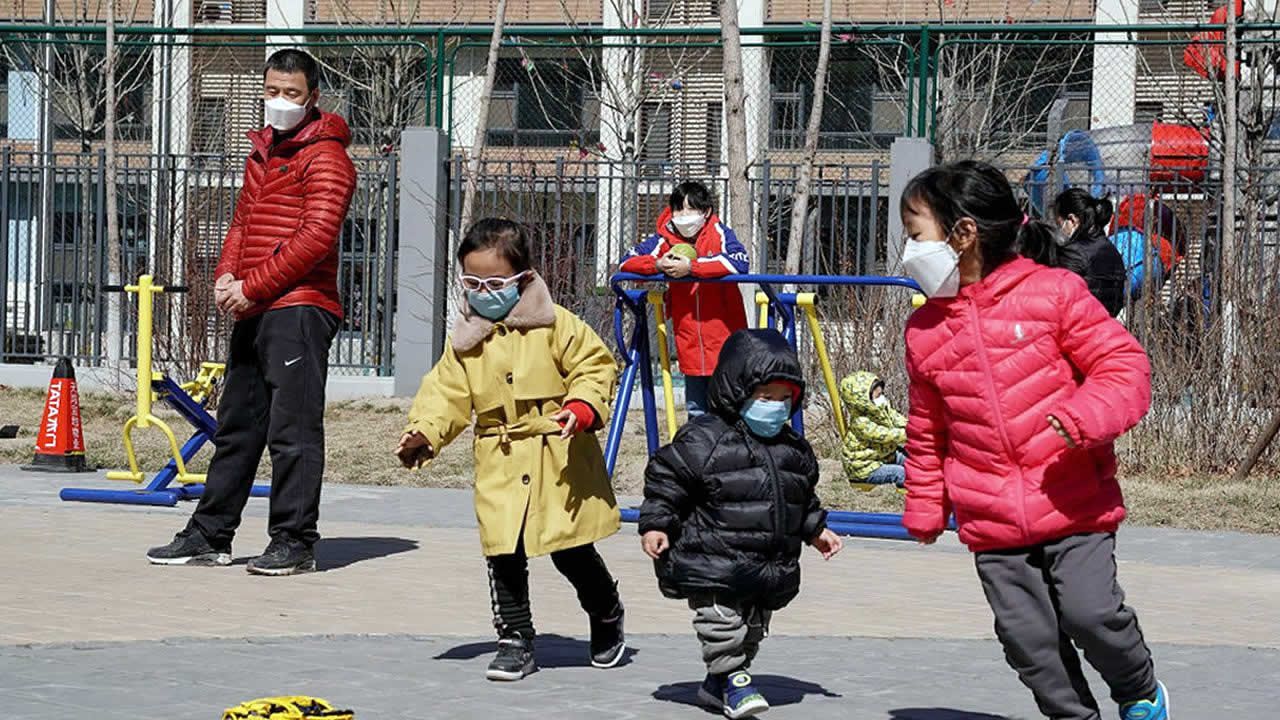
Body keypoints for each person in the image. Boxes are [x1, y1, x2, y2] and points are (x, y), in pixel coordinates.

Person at [898, 160, 1169, 720]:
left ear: (963, 233)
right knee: (1029, 642)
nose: (909, 250)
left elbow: (1124, 368)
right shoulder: (925, 330)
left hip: (1072, 501)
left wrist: (1085, 416)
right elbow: (926, 428)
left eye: (916, 234)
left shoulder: (1054, 293)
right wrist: (925, 501)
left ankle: (1140, 692)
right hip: (990, 514)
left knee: (1092, 614)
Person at [147, 49, 357, 576]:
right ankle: (209, 534)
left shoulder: (328, 157)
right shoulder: (262, 153)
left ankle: (294, 541)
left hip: (300, 308)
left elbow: (316, 237)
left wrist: (253, 286)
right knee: (237, 426)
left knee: (293, 431)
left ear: (313, 96)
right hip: (255, 305)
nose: (280, 101)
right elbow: (242, 223)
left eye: (292, 93)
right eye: (272, 91)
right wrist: (226, 275)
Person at [395, 219, 625, 682]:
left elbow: (595, 367)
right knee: (502, 551)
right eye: (472, 283)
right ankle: (515, 638)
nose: (483, 293)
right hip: (499, 457)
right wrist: (425, 431)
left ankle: (606, 612)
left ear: (523, 278)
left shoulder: (557, 324)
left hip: (557, 456)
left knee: (570, 550)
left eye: (495, 284)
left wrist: (581, 407)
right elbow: (446, 393)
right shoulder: (465, 342)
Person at [639, 329, 843, 719]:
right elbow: (667, 480)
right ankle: (735, 680)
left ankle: (718, 684)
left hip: (766, 563)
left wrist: (816, 530)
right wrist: (656, 524)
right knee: (721, 624)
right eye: (765, 397)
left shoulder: (794, 449)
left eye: (784, 399)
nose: (776, 407)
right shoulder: (706, 439)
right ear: (737, 392)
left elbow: (801, 497)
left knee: (752, 630)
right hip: (713, 558)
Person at [619, 181, 749, 419]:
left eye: (691, 209)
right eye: (679, 209)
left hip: (724, 338)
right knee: (696, 411)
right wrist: (657, 264)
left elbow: (739, 262)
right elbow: (627, 261)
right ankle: (698, 441)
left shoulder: (719, 233)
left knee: (728, 409)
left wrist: (693, 267)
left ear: (706, 212)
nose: (684, 215)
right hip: (689, 340)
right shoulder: (665, 239)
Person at [1052, 189, 1127, 317]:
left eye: (1060, 225)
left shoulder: (1074, 253)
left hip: (1078, 322)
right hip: (1106, 321)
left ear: (1072, 219)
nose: (1061, 230)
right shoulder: (1111, 249)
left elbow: (1058, 296)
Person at [838, 370, 907, 491]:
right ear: (864, 401)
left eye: (882, 394)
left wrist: (914, 426)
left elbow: (896, 418)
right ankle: (913, 493)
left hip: (882, 455)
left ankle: (927, 479)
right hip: (864, 467)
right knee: (900, 473)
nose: (882, 398)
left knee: (911, 459)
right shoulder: (861, 422)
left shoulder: (880, 409)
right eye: (878, 396)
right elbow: (884, 435)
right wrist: (908, 434)